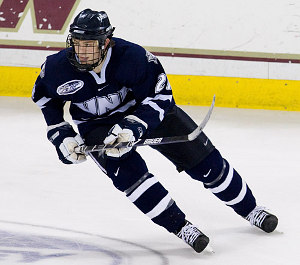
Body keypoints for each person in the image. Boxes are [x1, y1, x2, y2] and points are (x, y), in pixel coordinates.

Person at [32, 9, 278, 253]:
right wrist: (60, 133)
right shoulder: (56, 68)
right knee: (130, 178)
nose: (81, 52)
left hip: (145, 113)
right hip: (97, 126)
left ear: (106, 42)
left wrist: (135, 125)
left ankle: (251, 209)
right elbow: (44, 98)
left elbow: (161, 96)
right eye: (76, 43)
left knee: (206, 162)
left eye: (89, 45)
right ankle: (181, 227)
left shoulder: (134, 57)